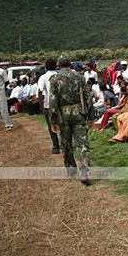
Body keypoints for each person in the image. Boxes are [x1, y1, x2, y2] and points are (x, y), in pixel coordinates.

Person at [49, 54, 94, 186]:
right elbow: (88, 98)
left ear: (58, 65)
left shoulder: (54, 79)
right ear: (70, 64)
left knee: (66, 143)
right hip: (79, 112)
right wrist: (90, 116)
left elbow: (52, 101)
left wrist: (53, 119)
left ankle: (70, 169)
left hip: (64, 113)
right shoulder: (79, 77)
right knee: (82, 143)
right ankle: (84, 171)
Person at [38, 58, 60, 154]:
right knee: (63, 125)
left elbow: (40, 92)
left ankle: (56, 146)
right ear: (56, 66)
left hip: (49, 105)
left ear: (46, 67)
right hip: (61, 105)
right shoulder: (60, 75)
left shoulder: (43, 77)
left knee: (51, 126)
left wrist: (42, 107)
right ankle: (65, 144)